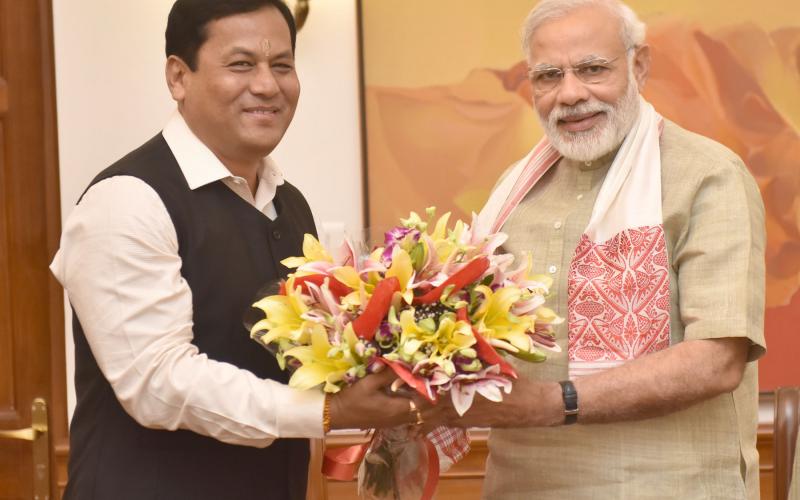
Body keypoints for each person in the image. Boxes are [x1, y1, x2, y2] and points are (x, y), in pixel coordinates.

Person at [50, 1, 415, 499]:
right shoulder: (127, 200)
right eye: (241, 64)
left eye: (281, 65)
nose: (267, 85)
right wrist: (329, 411)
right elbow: (159, 384)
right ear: (178, 77)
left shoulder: (289, 204)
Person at [424, 1, 767, 498]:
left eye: (592, 69)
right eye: (548, 76)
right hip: (520, 486)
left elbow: (717, 359)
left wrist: (553, 402)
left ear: (638, 65)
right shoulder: (514, 191)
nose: (570, 94)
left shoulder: (707, 176)